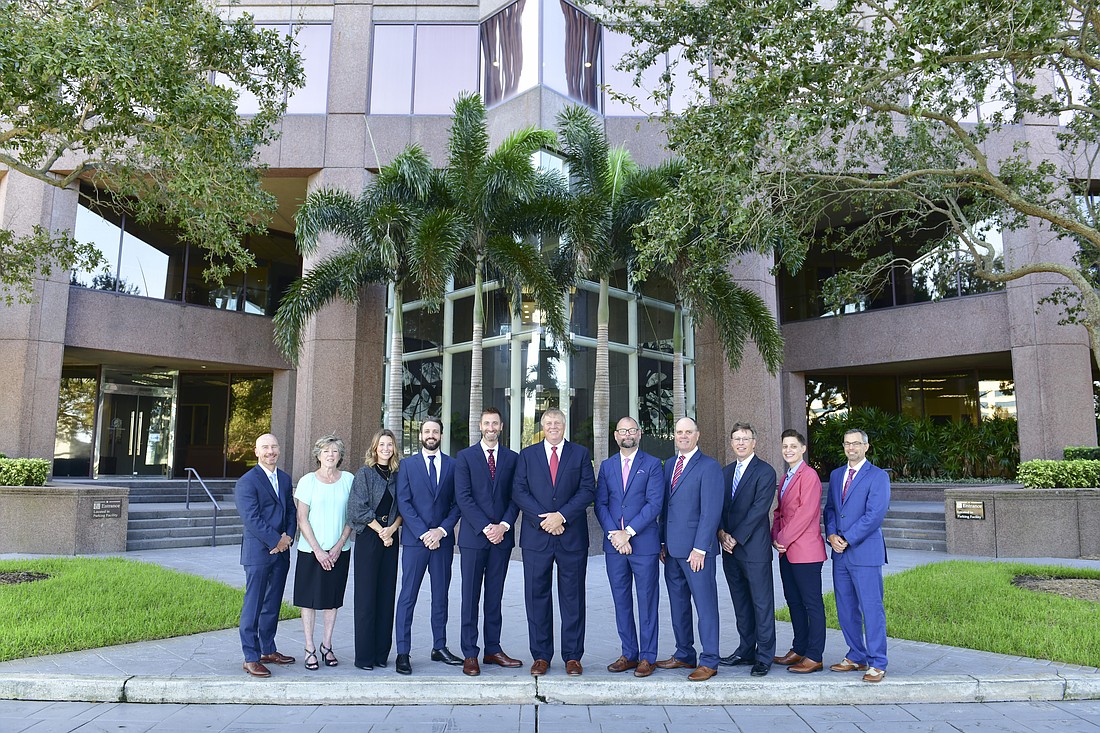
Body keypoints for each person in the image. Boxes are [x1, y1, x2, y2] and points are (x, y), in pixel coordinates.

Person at [512, 407, 595, 677]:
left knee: (573, 597)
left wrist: (561, 516)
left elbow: (587, 490)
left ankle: (573, 656)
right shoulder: (527, 455)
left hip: (571, 537)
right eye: (548, 423)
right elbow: (519, 491)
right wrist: (543, 519)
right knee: (537, 597)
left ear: (564, 424)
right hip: (537, 537)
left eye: (557, 422)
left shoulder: (580, 454)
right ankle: (541, 656)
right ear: (542, 426)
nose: (553, 426)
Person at [453, 407, 522, 676]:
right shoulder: (465, 457)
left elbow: (516, 496)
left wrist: (503, 526)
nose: (491, 428)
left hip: (501, 539)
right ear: (480, 427)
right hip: (473, 538)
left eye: (495, 423)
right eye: (486, 423)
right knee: (470, 597)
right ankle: (470, 653)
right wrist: (485, 527)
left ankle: (493, 649)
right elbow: (464, 497)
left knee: (495, 596)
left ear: (501, 427)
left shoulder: (513, 459)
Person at [595, 416, 664, 678]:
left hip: (643, 544)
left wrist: (629, 533)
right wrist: (616, 535)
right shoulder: (607, 465)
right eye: (623, 430)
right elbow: (601, 503)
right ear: (615, 435)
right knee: (621, 601)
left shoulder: (653, 465)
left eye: (632, 430)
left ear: (640, 433)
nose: (627, 434)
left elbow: (654, 504)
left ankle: (647, 657)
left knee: (647, 601)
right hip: (615, 546)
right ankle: (629, 653)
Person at [656, 416, 724, 682]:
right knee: (678, 604)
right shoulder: (670, 464)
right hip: (671, 551)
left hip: (697, 552)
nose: (683, 436)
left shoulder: (709, 467)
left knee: (705, 606)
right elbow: (666, 508)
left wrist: (700, 548)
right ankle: (684, 653)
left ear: (698, 435)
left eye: (688, 432)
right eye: (679, 432)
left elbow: (711, 512)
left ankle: (709, 660)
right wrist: (662, 542)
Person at [394, 417, 461, 675]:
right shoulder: (407, 466)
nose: (431, 434)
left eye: (435, 431)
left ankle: (439, 647)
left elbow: (457, 504)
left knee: (441, 595)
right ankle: (403, 652)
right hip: (415, 542)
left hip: (442, 542)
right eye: (427, 431)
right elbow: (404, 502)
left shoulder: (454, 466)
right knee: (408, 596)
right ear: (420, 435)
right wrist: (424, 533)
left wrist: (441, 531)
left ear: (441, 435)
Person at [824, 428, 891, 683]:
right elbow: (830, 509)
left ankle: (877, 662)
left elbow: (874, 515)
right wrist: (831, 535)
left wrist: (847, 538)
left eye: (855, 444)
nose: (851, 448)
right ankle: (856, 655)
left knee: (871, 608)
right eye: (847, 444)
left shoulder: (878, 477)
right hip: (839, 554)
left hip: (864, 552)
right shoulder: (836, 474)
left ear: (866, 446)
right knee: (846, 608)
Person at [717, 422, 777, 676]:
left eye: (745, 438)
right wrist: (721, 533)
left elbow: (758, 510)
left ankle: (764, 656)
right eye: (736, 439)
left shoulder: (765, 471)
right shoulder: (725, 472)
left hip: (753, 549)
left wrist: (735, 537)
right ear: (731, 443)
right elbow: (717, 506)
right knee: (741, 603)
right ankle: (745, 650)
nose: (740, 443)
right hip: (730, 550)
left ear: (754, 442)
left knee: (762, 604)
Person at [235, 433, 297, 678]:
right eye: (265, 447)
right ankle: (251, 657)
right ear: (256, 451)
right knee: (254, 604)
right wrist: (276, 540)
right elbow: (251, 519)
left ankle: (267, 650)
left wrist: (288, 537)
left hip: (281, 553)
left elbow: (291, 511)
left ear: (279, 450)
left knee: (272, 604)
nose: (270, 451)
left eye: (274, 446)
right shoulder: (247, 482)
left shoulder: (284, 478)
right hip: (259, 553)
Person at [293, 433, 354, 671]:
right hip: (310, 551)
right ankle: (309, 647)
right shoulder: (307, 480)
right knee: (308, 601)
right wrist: (318, 550)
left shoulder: (349, 479)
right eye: (326, 451)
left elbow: (352, 515)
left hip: (340, 550)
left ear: (340, 456)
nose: (330, 455)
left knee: (331, 601)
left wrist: (338, 546)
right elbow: (301, 518)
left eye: (335, 451)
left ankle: (326, 645)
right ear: (318, 454)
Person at [347, 428, 403, 671]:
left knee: (386, 596)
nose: (386, 449)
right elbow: (356, 508)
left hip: (391, 539)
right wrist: (381, 530)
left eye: (389, 445)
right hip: (370, 539)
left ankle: (382, 654)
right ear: (374, 447)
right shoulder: (364, 474)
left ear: (394, 449)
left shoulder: (399, 475)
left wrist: (391, 530)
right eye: (382, 444)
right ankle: (365, 657)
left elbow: (404, 508)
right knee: (366, 598)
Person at [771, 429, 827, 674]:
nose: (788, 450)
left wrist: (782, 537)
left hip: (806, 552)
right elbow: (778, 513)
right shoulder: (785, 478)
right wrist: (775, 537)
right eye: (785, 446)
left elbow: (806, 514)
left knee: (811, 603)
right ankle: (799, 648)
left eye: (793, 446)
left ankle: (814, 655)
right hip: (786, 551)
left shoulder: (809, 475)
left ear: (803, 449)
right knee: (793, 601)